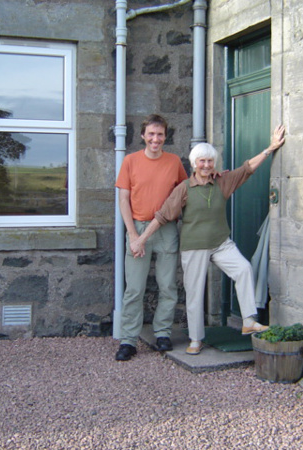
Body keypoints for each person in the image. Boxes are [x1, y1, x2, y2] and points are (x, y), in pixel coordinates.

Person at [133, 124, 286, 355]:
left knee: (244, 269)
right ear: (194, 164)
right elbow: (163, 215)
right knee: (195, 293)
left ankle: (248, 320)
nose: (206, 165)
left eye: (210, 161)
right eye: (202, 161)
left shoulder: (222, 182)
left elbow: (246, 169)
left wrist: (270, 148)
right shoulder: (184, 189)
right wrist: (142, 239)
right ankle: (196, 339)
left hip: (221, 243)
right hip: (194, 247)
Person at [114, 114, 189, 361]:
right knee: (134, 288)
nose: (155, 139)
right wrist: (134, 235)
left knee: (167, 285)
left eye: (160, 135)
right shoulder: (130, 161)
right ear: (144, 136)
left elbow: (186, 193)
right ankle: (128, 340)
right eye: (151, 134)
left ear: (165, 137)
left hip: (166, 229)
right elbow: (123, 199)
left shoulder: (174, 161)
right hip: (137, 227)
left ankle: (163, 333)